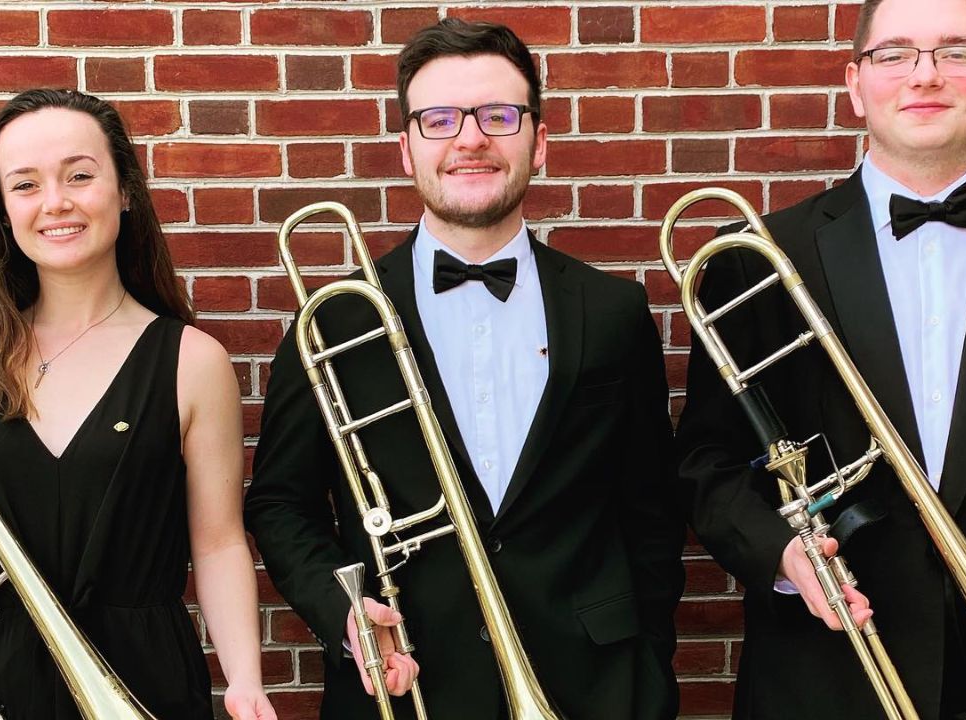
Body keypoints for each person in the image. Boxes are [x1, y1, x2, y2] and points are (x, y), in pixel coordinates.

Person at [676, 0, 966, 718]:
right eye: (893, 54)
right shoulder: (759, 257)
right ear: (855, 84)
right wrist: (783, 554)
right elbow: (708, 462)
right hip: (827, 664)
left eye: (956, 52)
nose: (924, 76)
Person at [245, 19, 684, 720]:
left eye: (498, 116)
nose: (471, 138)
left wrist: (648, 668)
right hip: (405, 680)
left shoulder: (613, 311)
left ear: (538, 141)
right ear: (406, 147)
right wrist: (349, 613)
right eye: (440, 118)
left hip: (594, 684)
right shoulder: (335, 320)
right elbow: (279, 503)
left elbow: (651, 509)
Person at [0, 89, 275, 720]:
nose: (56, 202)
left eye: (79, 175)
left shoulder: (192, 361)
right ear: (1, 212)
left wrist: (245, 680)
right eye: (25, 185)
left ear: (125, 191)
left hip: (145, 679)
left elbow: (217, 542)